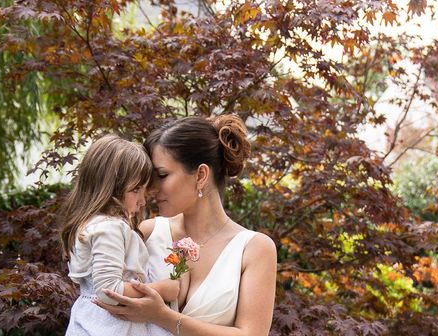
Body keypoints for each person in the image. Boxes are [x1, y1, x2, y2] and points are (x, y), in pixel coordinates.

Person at [95, 115, 277, 336]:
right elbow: (102, 300)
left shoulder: (254, 249)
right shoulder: (147, 232)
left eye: (162, 175)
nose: (150, 189)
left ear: (201, 175)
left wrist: (162, 316)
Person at [60, 134, 179, 336]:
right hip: (110, 326)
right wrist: (161, 289)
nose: (143, 201)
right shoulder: (109, 228)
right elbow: (108, 290)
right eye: (136, 190)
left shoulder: (94, 224)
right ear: (109, 188)